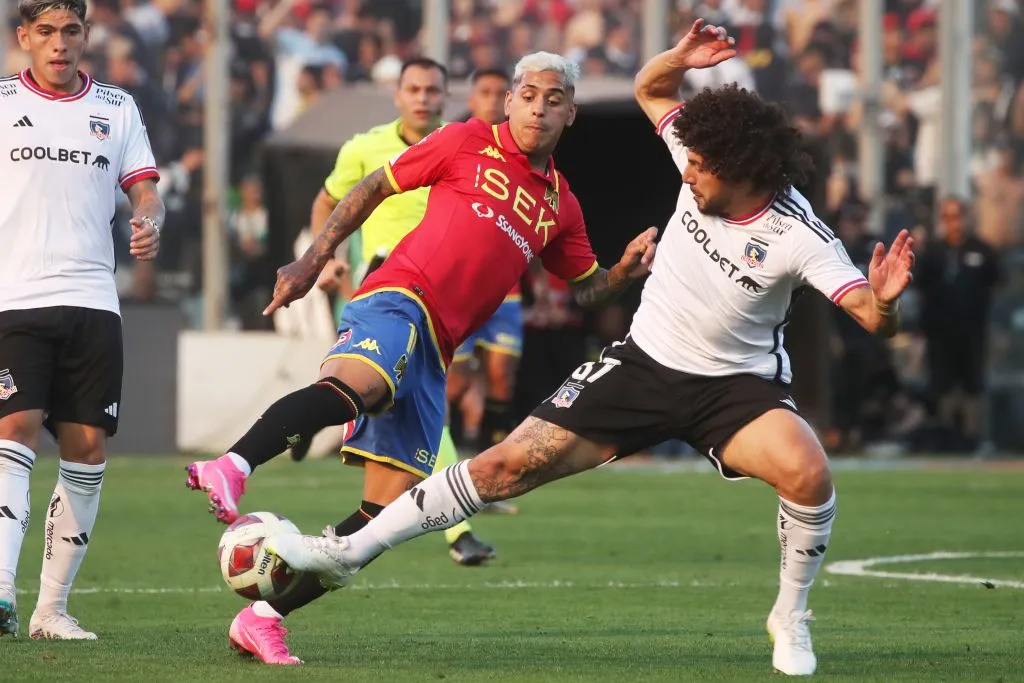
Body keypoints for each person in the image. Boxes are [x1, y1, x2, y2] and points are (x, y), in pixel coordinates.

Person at [268, 21, 916, 678]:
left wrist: (886, 303)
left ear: (742, 171)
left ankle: (791, 612)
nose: (686, 174)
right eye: (688, 160)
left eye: (700, 168)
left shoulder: (797, 232)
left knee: (809, 472)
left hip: (736, 387)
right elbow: (650, 87)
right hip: (642, 363)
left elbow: (869, 314)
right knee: (503, 465)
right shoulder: (694, 156)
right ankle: (347, 552)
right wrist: (681, 58)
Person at [185, 51, 656, 665]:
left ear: (570, 114)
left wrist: (622, 271)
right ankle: (235, 464)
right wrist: (311, 262)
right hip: (398, 295)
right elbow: (373, 187)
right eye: (530, 94)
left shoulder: (560, 205)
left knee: (384, 517)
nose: (540, 107)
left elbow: (586, 286)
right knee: (364, 385)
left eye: (555, 99)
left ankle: (263, 617)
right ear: (510, 99)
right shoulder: (463, 141)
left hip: (441, 346)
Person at [290, 58, 498, 566]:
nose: (423, 98)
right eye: (414, 89)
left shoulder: (464, 149)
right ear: (398, 95)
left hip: (442, 297)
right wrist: (331, 258)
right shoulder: (365, 148)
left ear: (447, 97)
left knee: (387, 399)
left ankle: (304, 422)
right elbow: (326, 201)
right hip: (380, 289)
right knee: (429, 411)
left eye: (433, 90)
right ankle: (459, 531)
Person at [0, 0, 163, 640]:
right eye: (46, 32)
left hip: (94, 299)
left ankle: (51, 611)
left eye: (71, 31)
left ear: (87, 35)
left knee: (87, 449)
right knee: (14, 426)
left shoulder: (117, 109)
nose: (59, 44)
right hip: (15, 298)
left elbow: (144, 188)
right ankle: (1, 593)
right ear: (24, 38)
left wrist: (149, 217)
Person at [446, 68, 523, 515]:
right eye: (485, 92)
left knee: (500, 377)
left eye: (501, 93)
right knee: (454, 383)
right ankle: (444, 470)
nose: (493, 100)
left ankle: (490, 481)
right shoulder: (460, 142)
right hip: (462, 291)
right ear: (471, 98)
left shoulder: (527, 149)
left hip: (506, 293)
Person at [916, 197, 1001, 451]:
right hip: (939, 331)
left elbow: (997, 282)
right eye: (949, 217)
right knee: (943, 384)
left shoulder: (983, 250)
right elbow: (920, 284)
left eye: (959, 216)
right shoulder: (933, 252)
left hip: (973, 329)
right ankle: (947, 435)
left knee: (972, 384)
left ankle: (972, 437)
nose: (955, 223)